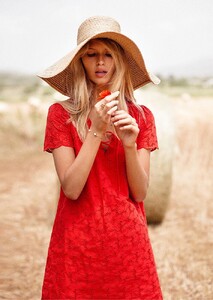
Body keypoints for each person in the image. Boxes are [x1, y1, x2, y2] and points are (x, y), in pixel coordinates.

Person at [38, 15, 163, 299]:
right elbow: (71, 188)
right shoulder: (60, 115)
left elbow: (140, 192)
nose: (100, 62)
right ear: (80, 61)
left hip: (128, 245)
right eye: (91, 54)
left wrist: (129, 145)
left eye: (108, 54)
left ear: (118, 59)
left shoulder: (142, 118)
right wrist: (96, 130)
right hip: (77, 244)